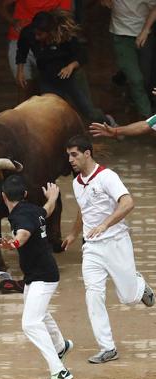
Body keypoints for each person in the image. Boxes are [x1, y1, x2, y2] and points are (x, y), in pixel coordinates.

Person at [63, 134, 155, 364]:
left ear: (87, 153)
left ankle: (140, 286)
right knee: (93, 295)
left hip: (116, 243)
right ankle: (108, 348)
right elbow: (83, 210)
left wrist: (105, 224)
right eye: (68, 156)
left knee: (128, 297)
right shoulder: (76, 183)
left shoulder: (107, 177)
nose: (70, 160)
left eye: (74, 155)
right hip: (92, 247)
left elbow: (128, 202)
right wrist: (75, 233)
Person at [0, 175, 73, 379]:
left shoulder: (19, 218)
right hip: (37, 274)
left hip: (43, 277)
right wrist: (52, 197)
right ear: (26, 195)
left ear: (4, 197)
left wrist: (12, 244)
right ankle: (60, 346)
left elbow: (23, 234)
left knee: (30, 323)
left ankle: (60, 372)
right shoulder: (32, 209)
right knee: (40, 314)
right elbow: (46, 210)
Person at [16, 10, 113, 125]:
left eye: (40, 35)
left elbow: (82, 56)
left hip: (72, 77)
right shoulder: (28, 33)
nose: (36, 37)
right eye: (35, 33)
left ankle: (108, 121)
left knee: (88, 111)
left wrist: (70, 66)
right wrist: (20, 71)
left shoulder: (65, 36)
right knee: (52, 112)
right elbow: (22, 51)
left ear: (50, 32)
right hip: (48, 78)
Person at [0, 0, 71, 99]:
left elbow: (63, 18)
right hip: (19, 40)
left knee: (46, 92)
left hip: (47, 45)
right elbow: (1, 5)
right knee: (24, 87)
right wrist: (13, 21)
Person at [102, 0, 155, 119]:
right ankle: (147, 118)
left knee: (145, 78)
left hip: (144, 35)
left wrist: (145, 30)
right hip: (121, 35)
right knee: (136, 79)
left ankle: (131, 98)